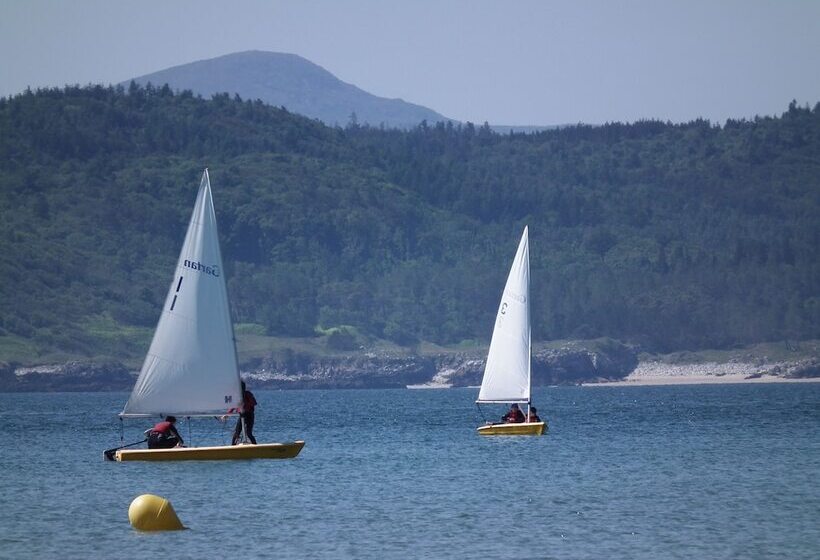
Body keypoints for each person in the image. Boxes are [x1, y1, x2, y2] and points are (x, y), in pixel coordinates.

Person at [230, 381, 258, 445]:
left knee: (249, 433)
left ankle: (256, 447)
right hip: (242, 415)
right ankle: (232, 447)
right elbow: (233, 406)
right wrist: (227, 414)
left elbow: (254, 403)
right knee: (236, 434)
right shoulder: (237, 396)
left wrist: (244, 403)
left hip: (249, 415)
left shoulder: (248, 394)